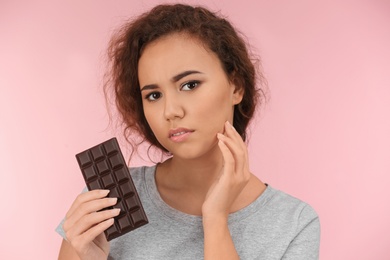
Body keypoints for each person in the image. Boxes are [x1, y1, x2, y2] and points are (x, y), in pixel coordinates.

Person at [56, 3, 320, 260]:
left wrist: (216, 220)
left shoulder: (294, 223)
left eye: (190, 84)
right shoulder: (106, 203)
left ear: (236, 87)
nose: (170, 110)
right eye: (154, 95)